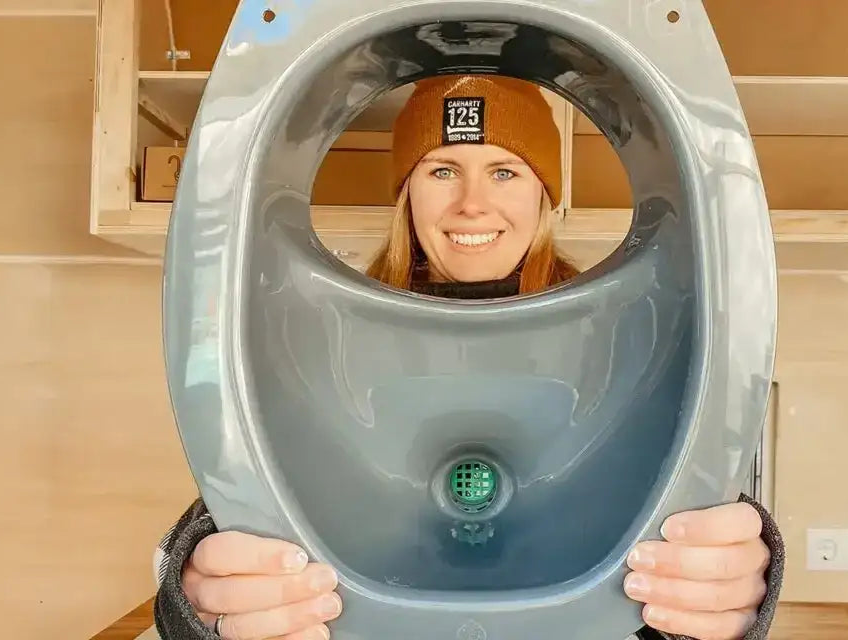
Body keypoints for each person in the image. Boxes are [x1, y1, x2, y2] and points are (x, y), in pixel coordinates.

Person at [151, 75, 785, 640]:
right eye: (443, 170)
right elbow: (257, 498)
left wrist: (727, 582)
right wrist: (197, 595)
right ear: (407, 193)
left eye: (504, 171)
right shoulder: (314, 336)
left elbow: (666, 499)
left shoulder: (634, 337)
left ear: (544, 194)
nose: (472, 204)